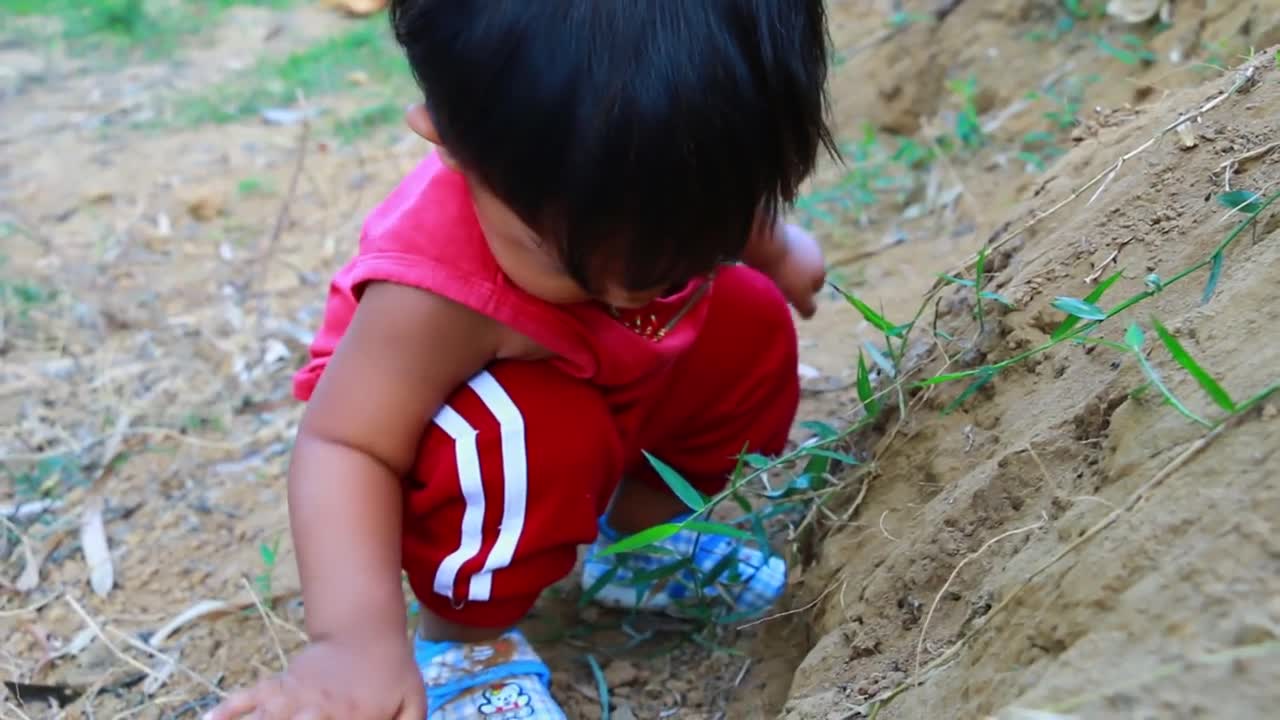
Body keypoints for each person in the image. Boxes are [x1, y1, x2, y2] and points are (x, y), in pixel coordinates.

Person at [207, 1, 834, 718]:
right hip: (462, 427)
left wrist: (770, 247)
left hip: (621, 366)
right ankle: (463, 646)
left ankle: (638, 545)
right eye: (569, 258)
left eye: (689, 240)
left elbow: (688, 181)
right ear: (448, 144)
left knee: (745, 316)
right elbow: (345, 445)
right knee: (528, 428)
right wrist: (351, 644)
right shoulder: (434, 298)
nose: (626, 284)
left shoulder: (668, 159)